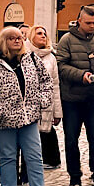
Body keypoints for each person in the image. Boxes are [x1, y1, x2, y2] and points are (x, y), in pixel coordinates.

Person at [0, 27, 57, 186]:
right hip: (5, 121)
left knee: (35, 157)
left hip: (29, 117)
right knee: (7, 157)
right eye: (12, 38)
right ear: (4, 41)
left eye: (19, 38)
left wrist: (42, 100)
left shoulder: (31, 60)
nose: (17, 41)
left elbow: (46, 81)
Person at [54, 5, 94, 186]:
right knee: (71, 139)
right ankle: (74, 176)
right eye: (89, 23)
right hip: (72, 100)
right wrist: (81, 75)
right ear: (79, 22)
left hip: (92, 99)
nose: (92, 26)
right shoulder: (66, 40)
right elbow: (61, 66)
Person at [29, 25, 63, 173]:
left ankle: (52, 159)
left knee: (47, 131)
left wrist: (57, 112)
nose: (43, 36)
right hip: (29, 103)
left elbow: (56, 85)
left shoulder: (51, 57)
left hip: (47, 102)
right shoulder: (25, 54)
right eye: (39, 33)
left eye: (45, 33)